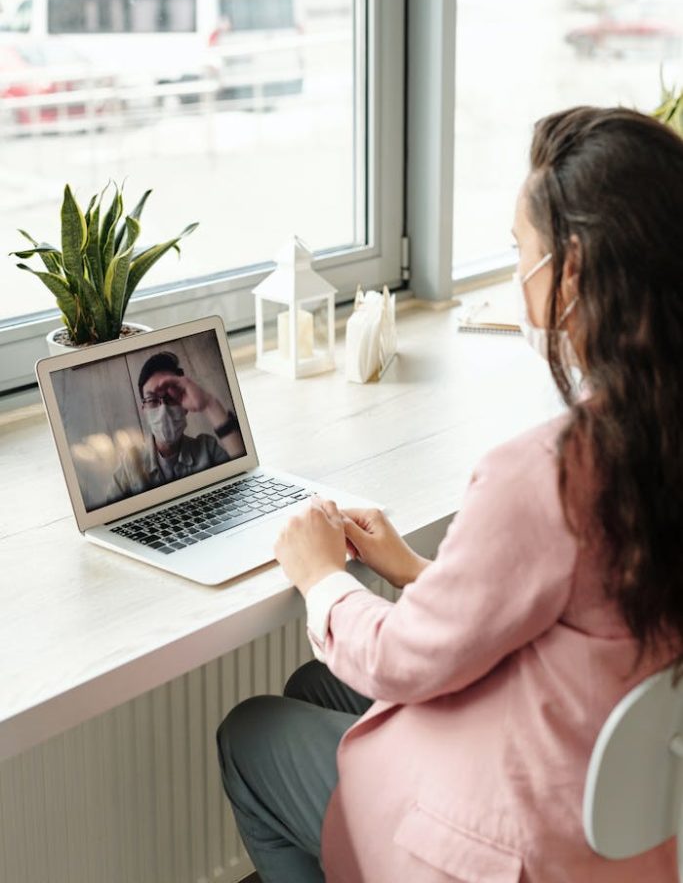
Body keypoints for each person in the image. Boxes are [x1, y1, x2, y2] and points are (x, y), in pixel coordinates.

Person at [216, 106, 683, 882]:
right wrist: (407, 568)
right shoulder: (653, 442)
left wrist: (318, 575)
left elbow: (401, 660)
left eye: (518, 254)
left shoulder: (551, 473)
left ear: (567, 275)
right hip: (621, 828)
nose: (516, 276)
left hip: (521, 846)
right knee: (313, 684)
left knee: (252, 732)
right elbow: (567, 617)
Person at [111, 350, 244, 500]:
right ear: (144, 410)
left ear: (185, 406)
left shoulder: (207, 449)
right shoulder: (130, 464)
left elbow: (244, 480)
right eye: (153, 400)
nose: (163, 410)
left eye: (171, 398)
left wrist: (209, 404)